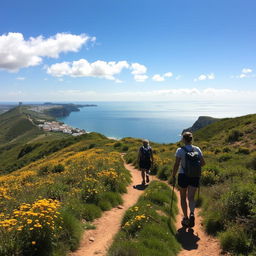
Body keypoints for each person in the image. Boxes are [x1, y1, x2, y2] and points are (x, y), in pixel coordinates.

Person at [172, 132, 205, 228]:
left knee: (183, 197)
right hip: (194, 176)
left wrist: (173, 175)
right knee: (191, 197)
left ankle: (186, 218)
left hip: (183, 176)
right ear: (191, 139)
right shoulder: (197, 149)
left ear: (183, 139)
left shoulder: (180, 150)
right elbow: (203, 163)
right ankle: (192, 213)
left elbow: (176, 164)